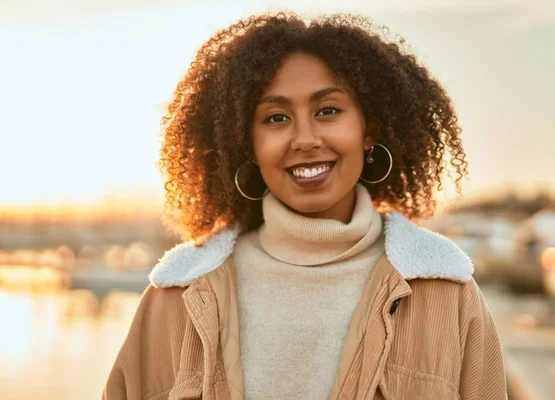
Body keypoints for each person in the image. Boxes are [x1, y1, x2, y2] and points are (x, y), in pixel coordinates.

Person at [103, 12, 507, 400]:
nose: (305, 139)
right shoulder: (176, 297)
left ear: (370, 129)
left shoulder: (446, 293)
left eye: (328, 110)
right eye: (276, 118)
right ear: (248, 143)